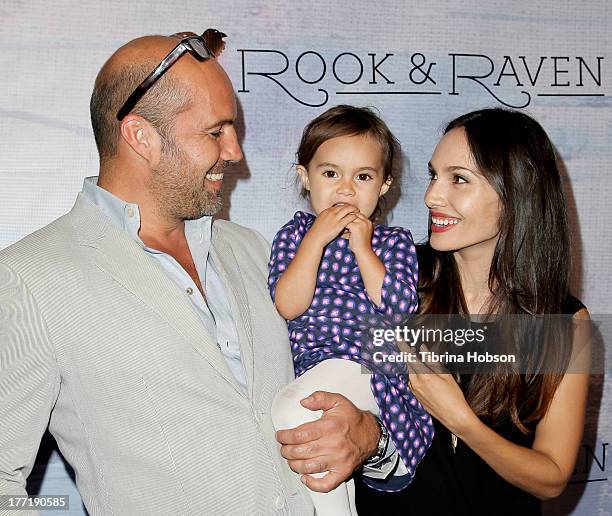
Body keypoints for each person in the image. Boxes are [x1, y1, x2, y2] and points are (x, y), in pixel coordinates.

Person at [0, 31, 387, 516]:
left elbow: (350, 362)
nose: (235, 152)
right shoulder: (31, 278)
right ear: (141, 136)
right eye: (215, 131)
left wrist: (371, 436)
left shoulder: (253, 251)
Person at [355, 108, 591, 515]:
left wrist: (461, 419)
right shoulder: (390, 276)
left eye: (458, 179)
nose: (431, 196)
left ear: (516, 193)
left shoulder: (566, 322)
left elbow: (551, 476)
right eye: (433, 175)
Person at [268, 105, 433, 516]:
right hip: (315, 363)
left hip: (368, 361)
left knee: (293, 409)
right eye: (330, 174)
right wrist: (314, 243)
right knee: (307, 427)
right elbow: (288, 304)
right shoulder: (293, 236)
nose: (345, 188)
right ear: (304, 177)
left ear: (384, 185)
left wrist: (363, 247)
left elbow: (397, 309)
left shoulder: (393, 242)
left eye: (363, 176)